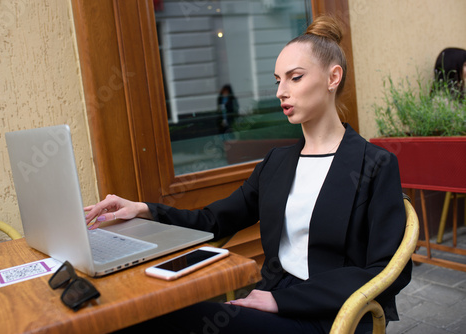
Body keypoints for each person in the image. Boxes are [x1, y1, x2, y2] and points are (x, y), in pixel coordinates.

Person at [85, 15, 411, 334]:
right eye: (277, 80)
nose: (281, 91)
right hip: (270, 298)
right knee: (144, 313)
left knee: (161, 318)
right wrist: (145, 210)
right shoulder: (277, 163)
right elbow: (214, 221)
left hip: (331, 316)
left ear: (332, 77)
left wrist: (281, 301)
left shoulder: (374, 164)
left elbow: (387, 270)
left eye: (294, 77)